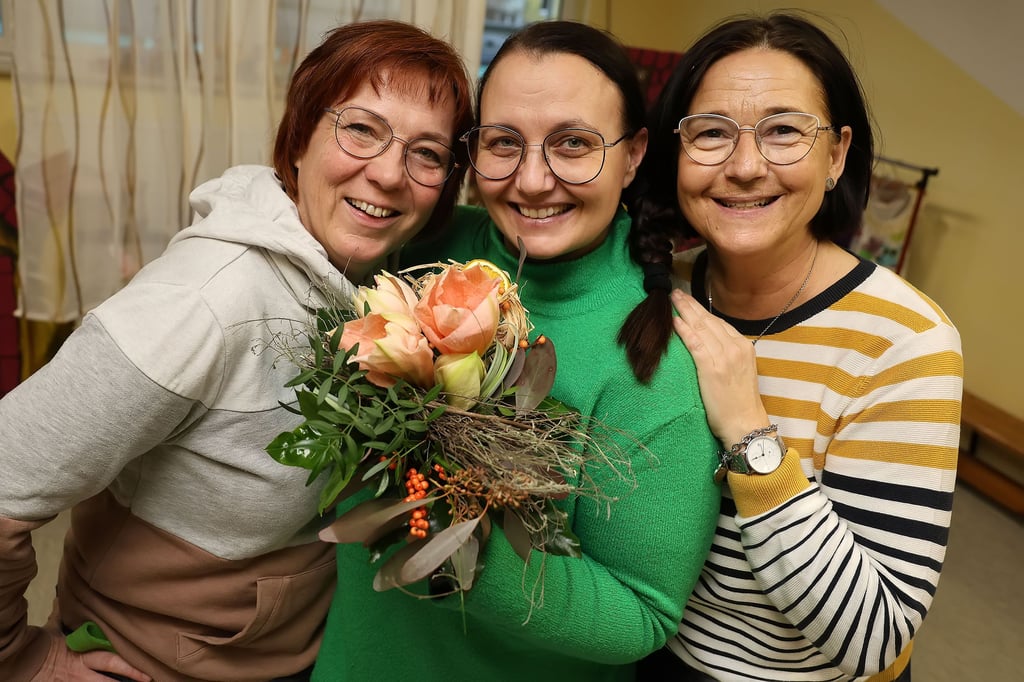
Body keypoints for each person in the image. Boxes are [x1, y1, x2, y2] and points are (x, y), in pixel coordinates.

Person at [0, 19, 473, 682]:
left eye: (427, 153)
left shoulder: (374, 281)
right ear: (299, 138)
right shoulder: (203, 303)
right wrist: (24, 659)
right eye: (362, 129)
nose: (390, 173)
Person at [311, 21, 721, 681]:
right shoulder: (422, 243)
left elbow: (643, 614)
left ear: (634, 155)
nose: (532, 181)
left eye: (574, 144)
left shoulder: (658, 361)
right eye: (504, 143)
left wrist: (450, 540)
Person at [631, 12, 963, 682]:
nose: (744, 166)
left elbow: (873, 638)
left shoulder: (905, 341)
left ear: (836, 155)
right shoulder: (657, 292)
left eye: (783, 130)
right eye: (711, 132)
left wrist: (750, 433)